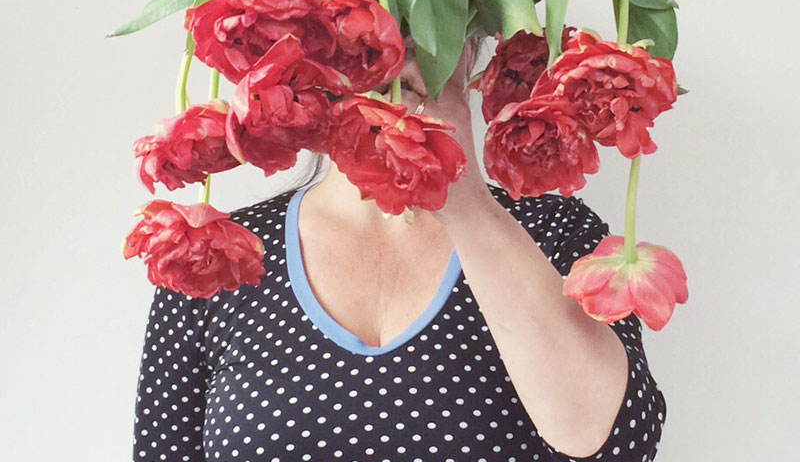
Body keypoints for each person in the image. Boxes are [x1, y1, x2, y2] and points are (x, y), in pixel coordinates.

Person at [131, 36, 667, 461]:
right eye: (359, 27)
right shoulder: (212, 256)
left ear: (475, 42)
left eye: (431, 12)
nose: (392, 51)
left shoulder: (554, 233)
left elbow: (616, 446)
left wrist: (463, 200)